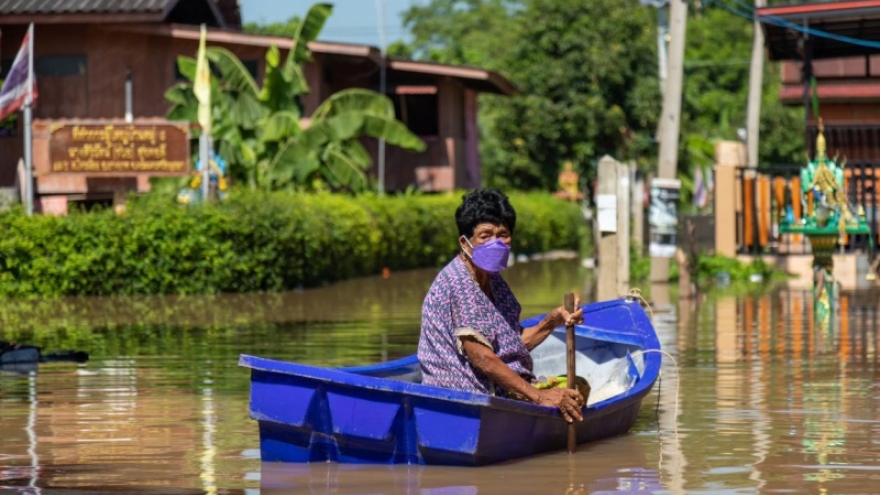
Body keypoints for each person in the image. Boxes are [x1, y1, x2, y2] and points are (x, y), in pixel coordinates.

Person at [418, 189, 586, 423]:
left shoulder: (494, 280)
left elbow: (511, 345)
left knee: (578, 387)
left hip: (496, 392)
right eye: (485, 235)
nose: (495, 243)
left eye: (503, 235)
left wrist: (551, 322)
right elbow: (483, 358)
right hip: (466, 402)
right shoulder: (458, 284)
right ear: (465, 242)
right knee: (571, 394)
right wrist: (540, 397)